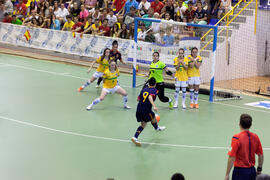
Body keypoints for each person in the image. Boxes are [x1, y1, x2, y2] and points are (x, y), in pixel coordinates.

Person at [224, 114, 264, 180]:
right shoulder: (255, 137)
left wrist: (227, 174)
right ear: (250, 125)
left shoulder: (236, 138)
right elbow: (261, 155)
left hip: (240, 172)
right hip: (252, 171)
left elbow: (231, 157)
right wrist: (259, 169)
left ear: (239, 124)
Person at [131, 77, 166, 146]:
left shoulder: (144, 89)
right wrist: (154, 105)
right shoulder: (155, 90)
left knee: (145, 122)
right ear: (155, 84)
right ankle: (157, 128)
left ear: (149, 83)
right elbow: (150, 96)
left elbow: (138, 99)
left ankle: (135, 137)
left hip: (139, 108)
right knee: (149, 120)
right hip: (146, 110)